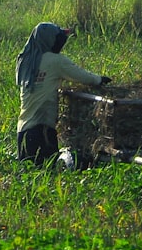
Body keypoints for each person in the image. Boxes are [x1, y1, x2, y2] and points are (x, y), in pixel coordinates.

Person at [15, 22, 110, 165]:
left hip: (23, 130)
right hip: (41, 129)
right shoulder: (55, 61)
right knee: (48, 172)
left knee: (29, 172)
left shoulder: (26, 61)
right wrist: (100, 80)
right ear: (51, 40)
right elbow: (82, 76)